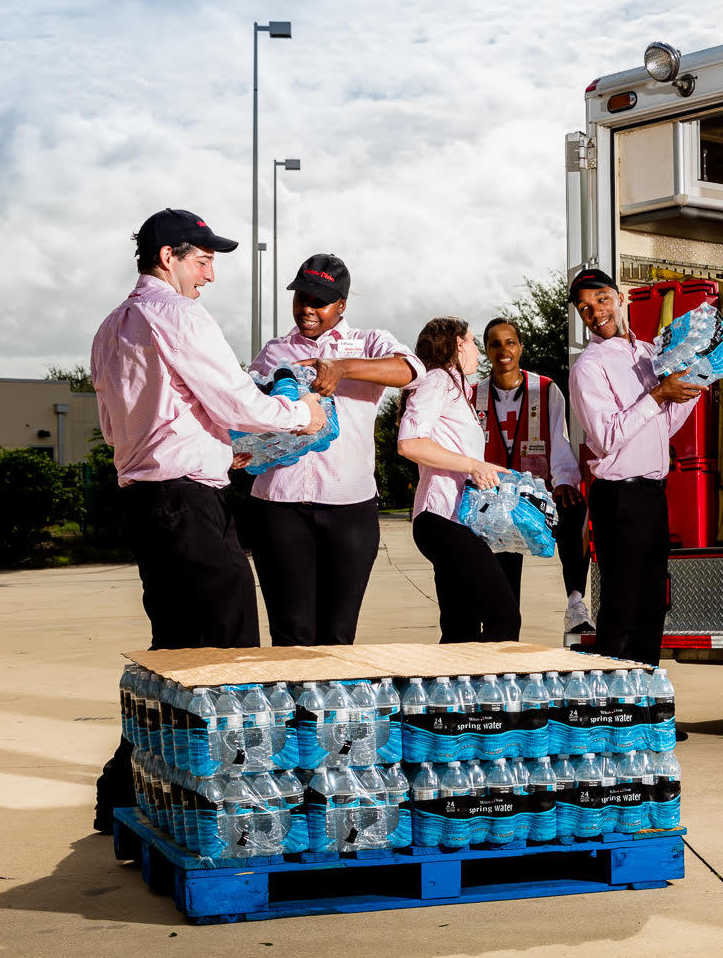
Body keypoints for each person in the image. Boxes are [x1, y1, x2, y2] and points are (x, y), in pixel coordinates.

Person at [90, 208, 326, 831]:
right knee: (229, 654)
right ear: (167, 257)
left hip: (147, 499)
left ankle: (130, 790)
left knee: (174, 652)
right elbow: (233, 397)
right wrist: (303, 415)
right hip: (188, 503)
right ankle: (234, 808)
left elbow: (122, 423)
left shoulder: (112, 326)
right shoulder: (176, 313)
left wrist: (224, 448)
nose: (211, 275)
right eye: (203, 259)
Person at [246, 254, 423, 647]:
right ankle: (294, 710)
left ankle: (329, 709)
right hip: (279, 506)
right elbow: (249, 415)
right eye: (301, 298)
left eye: (319, 301)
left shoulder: (369, 342)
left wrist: (341, 367)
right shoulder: (274, 351)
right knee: (291, 633)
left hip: (349, 509)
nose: (307, 309)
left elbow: (411, 371)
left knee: (337, 636)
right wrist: (246, 447)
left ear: (342, 304)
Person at [566, 268, 705, 666]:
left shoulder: (648, 354)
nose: (595, 312)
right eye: (585, 308)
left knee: (651, 607)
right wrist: (660, 393)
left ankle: (646, 713)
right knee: (622, 608)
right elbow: (609, 435)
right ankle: (617, 715)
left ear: (621, 298)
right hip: (619, 497)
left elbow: (663, 425)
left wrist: (693, 385)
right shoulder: (588, 367)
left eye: (602, 300)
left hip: (652, 494)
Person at [395, 316, 518, 643]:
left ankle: (450, 694)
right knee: (503, 616)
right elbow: (410, 443)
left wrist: (480, 471)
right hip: (442, 520)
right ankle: (491, 692)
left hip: (455, 521)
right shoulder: (438, 380)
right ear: (457, 345)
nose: (478, 351)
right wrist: (474, 466)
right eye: (474, 342)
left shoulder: (457, 388)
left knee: (460, 627)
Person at [470, 316, 589, 631]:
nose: (503, 350)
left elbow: (560, 440)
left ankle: (576, 604)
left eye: (510, 342)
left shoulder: (546, 389)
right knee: (502, 567)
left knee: (574, 508)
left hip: (538, 496)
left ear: (520, 347)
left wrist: (564, 482)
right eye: (495, 344)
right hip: (495, 499)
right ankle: (501, 632)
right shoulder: (474, 395)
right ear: (486, 351)